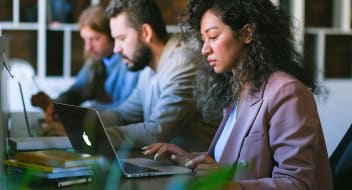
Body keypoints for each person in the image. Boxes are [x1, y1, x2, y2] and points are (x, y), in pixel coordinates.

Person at [142, 0, 334, 189]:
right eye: (203, 39)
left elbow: (297, 184)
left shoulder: (287, 92)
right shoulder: (240, 89)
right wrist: (188, 159)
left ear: (246, 34)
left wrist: (230, 186)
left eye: (213, 37)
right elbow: (233, 162)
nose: (204, 49)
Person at [99, 0, 218, 151]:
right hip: (169, 167)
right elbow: (124, 115)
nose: (116, 49)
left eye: (121, 39)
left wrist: (96, 134)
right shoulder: (149, 68)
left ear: (146, 33)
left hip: (196, 171)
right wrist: (82, 121)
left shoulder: (184, 62)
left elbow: (156, 131)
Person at [31, 5, 140, 135]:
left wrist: (79, 114)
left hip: (122, 134)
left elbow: (125, 111)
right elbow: (76, 92)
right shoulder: (96, 60)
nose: (88, 47)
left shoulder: (130, 63)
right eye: (85, 40)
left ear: (113, 36)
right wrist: (57, 105)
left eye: (95, 39)